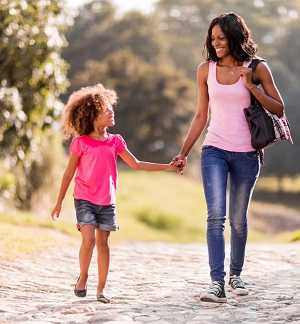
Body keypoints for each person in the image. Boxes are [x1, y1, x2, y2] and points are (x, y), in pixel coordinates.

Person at [173, 12, 284, 303]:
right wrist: (183, 152)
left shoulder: (258, 68)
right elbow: (200, 115)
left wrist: (250, 86)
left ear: (235, 36)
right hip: (215, 150)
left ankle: (236, 274)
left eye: (221, 38)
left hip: (248, 154)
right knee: (215, 217)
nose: (216, 43)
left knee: (237, 219)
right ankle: (216, 283)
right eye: (213, 39)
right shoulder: (205, 70)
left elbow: (279, 108)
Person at [51, 84, 177, 303]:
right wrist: (59, 201)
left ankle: (101, 289)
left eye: (111, 109)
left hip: (107, 200)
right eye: (106, 110)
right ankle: (83, 276)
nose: (111, 112)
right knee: (88, 239)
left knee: (103, 244)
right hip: (84, 198)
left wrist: (168, 166)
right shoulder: (81, 143)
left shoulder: (115, 141)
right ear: (92, 116)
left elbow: (136, 165)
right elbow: (68, 173)